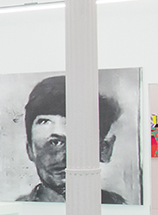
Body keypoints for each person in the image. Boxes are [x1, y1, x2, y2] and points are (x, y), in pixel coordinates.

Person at [16, 74, 127, 203]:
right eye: (53, 144)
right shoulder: (21, 206)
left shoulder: (118, 206)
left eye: (75, 144)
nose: (61, 158)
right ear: (30, 150)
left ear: (104, 149)